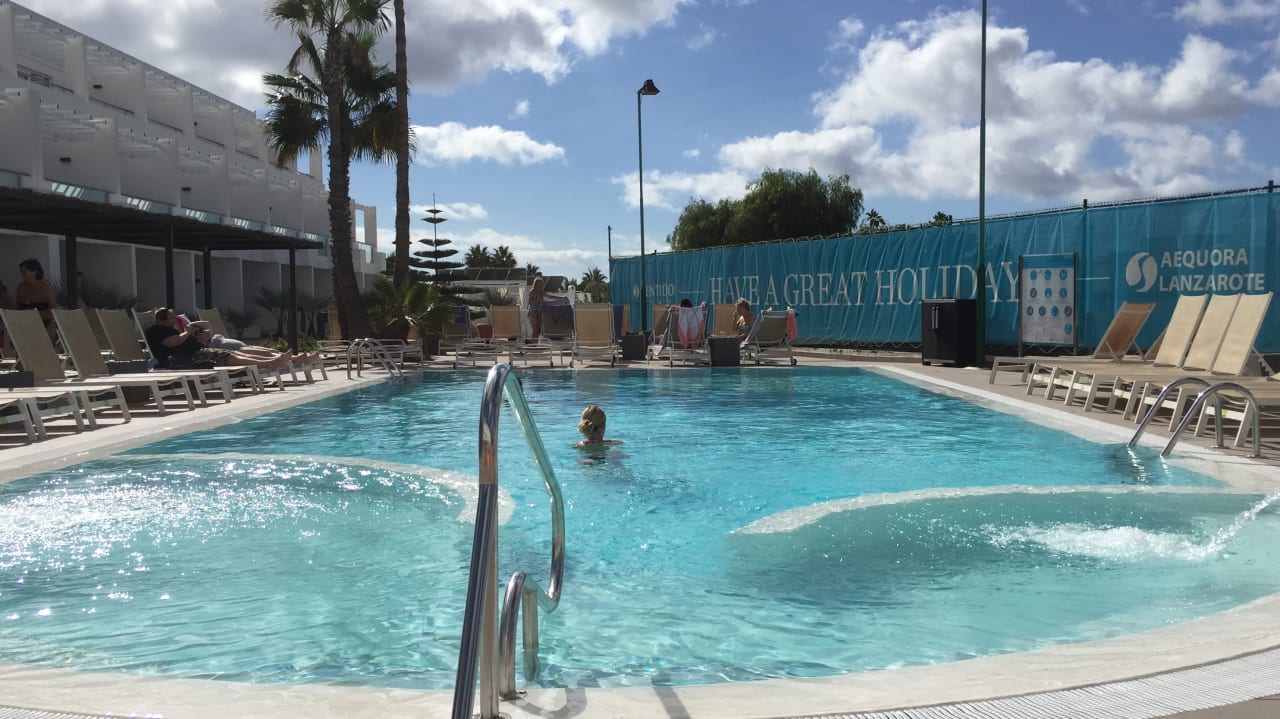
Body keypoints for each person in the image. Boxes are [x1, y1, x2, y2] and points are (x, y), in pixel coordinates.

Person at [145, 307, 295, 371]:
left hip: (196, 353)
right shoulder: (157, 330)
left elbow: (180, 340)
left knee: (237, 354)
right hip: (184, 359)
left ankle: (271, 362)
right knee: (229, 356)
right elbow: (173, 342)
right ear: (162, 319)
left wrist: (195, 336)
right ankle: (270, 363)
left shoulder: (170, 329)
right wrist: (187, 332)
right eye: (171, 317)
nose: (174, 319)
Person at [191, 324, 320, 364]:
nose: (202, 332)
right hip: (239, 352)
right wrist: (197, 335)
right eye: (197, 333)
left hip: (244, 346)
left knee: (271, 351)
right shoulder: (206, 346)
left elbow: (207, 325)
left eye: (201, 331)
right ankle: (298, 359)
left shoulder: (212, 337)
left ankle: (300, 358)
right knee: (267, 354)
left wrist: (195, 327)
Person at [15, 258, 58, 340]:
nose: (22, 274)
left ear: (34, 271)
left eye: (24, 271)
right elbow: (16, 308)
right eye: (21, 272)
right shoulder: (20, 288)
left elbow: (54, 310)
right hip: (24, 324)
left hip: (44, 323)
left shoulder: (45, 286)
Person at [527, 276, 546, 340]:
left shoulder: (541, 293)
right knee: (535, 330)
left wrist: (561, 298)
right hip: (533, 312)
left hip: (539, 312)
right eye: (540, 284)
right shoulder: (532, 291)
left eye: (542, 284)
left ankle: (534, 345)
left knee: (539, 330)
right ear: (536, 284)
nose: (541, 286)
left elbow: (548, 296)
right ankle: (532, 346)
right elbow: (529, 302)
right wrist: (537, 301)